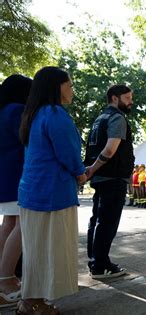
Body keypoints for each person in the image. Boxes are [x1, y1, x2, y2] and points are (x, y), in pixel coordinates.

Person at [17, 67, 87, 313]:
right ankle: (31, 303)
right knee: (50, 250)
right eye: (69, 84)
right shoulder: (55, 114)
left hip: (33, 191)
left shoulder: (34, 113)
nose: (72, 89)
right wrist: (81, 173)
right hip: (53, 193)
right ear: (56, 87)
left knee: (36, 250)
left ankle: (31, 300)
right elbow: (68, 154)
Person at [85, 84, 135, 279]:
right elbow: (109, 150)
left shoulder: (100, 119)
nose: (131, 101)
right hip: (113, 178)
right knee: (107, 222)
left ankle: (95, 260)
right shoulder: (117, 118)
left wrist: (91, 171)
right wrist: (91, 170)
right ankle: (100, 264)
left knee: (97, 220)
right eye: (128, 97)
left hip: (102, 178)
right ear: (115, 98)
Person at [0, 74, 32, 308]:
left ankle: (3, 276)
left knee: (9, 224)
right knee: (22, 225)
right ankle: (6, 280)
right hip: (18, 175)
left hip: (6, 176)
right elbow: (30, 140)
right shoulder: (16, 110)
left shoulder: (3, 110)